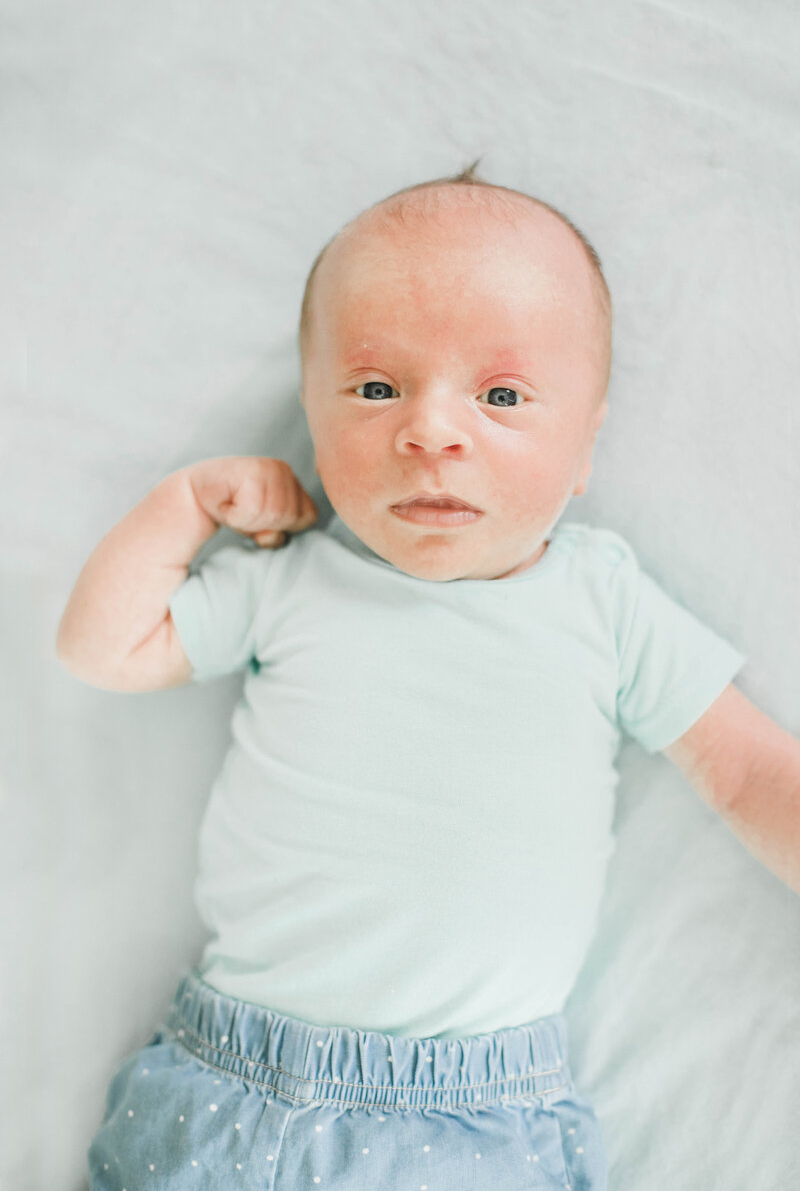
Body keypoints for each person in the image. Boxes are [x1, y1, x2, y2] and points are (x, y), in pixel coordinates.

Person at [56, 161, 800, 1191]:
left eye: (499, 395)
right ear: (313, 420)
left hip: (473, 1124)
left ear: (583, 450)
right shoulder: (291, 580)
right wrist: (184, 506)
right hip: (235, 1087)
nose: (430, 431)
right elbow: (101, 649)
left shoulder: (603, 605)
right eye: (374, 388)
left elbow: (746, 772)